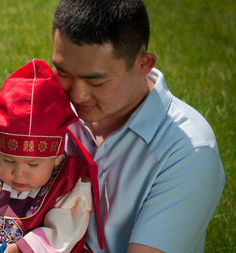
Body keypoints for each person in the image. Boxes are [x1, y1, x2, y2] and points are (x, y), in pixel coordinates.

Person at [51, 0, 225, 252]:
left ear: (144, 64)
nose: (77, 95)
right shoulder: (48, 107)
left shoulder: (189, 152)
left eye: (97, 82)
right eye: (63, 72)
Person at [0, 59, 103, 252]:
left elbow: (63, 233)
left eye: (33, 164)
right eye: (8, 160)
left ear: (57, 157)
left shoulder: (68, 182)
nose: (19, 172)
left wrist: (18, 249)